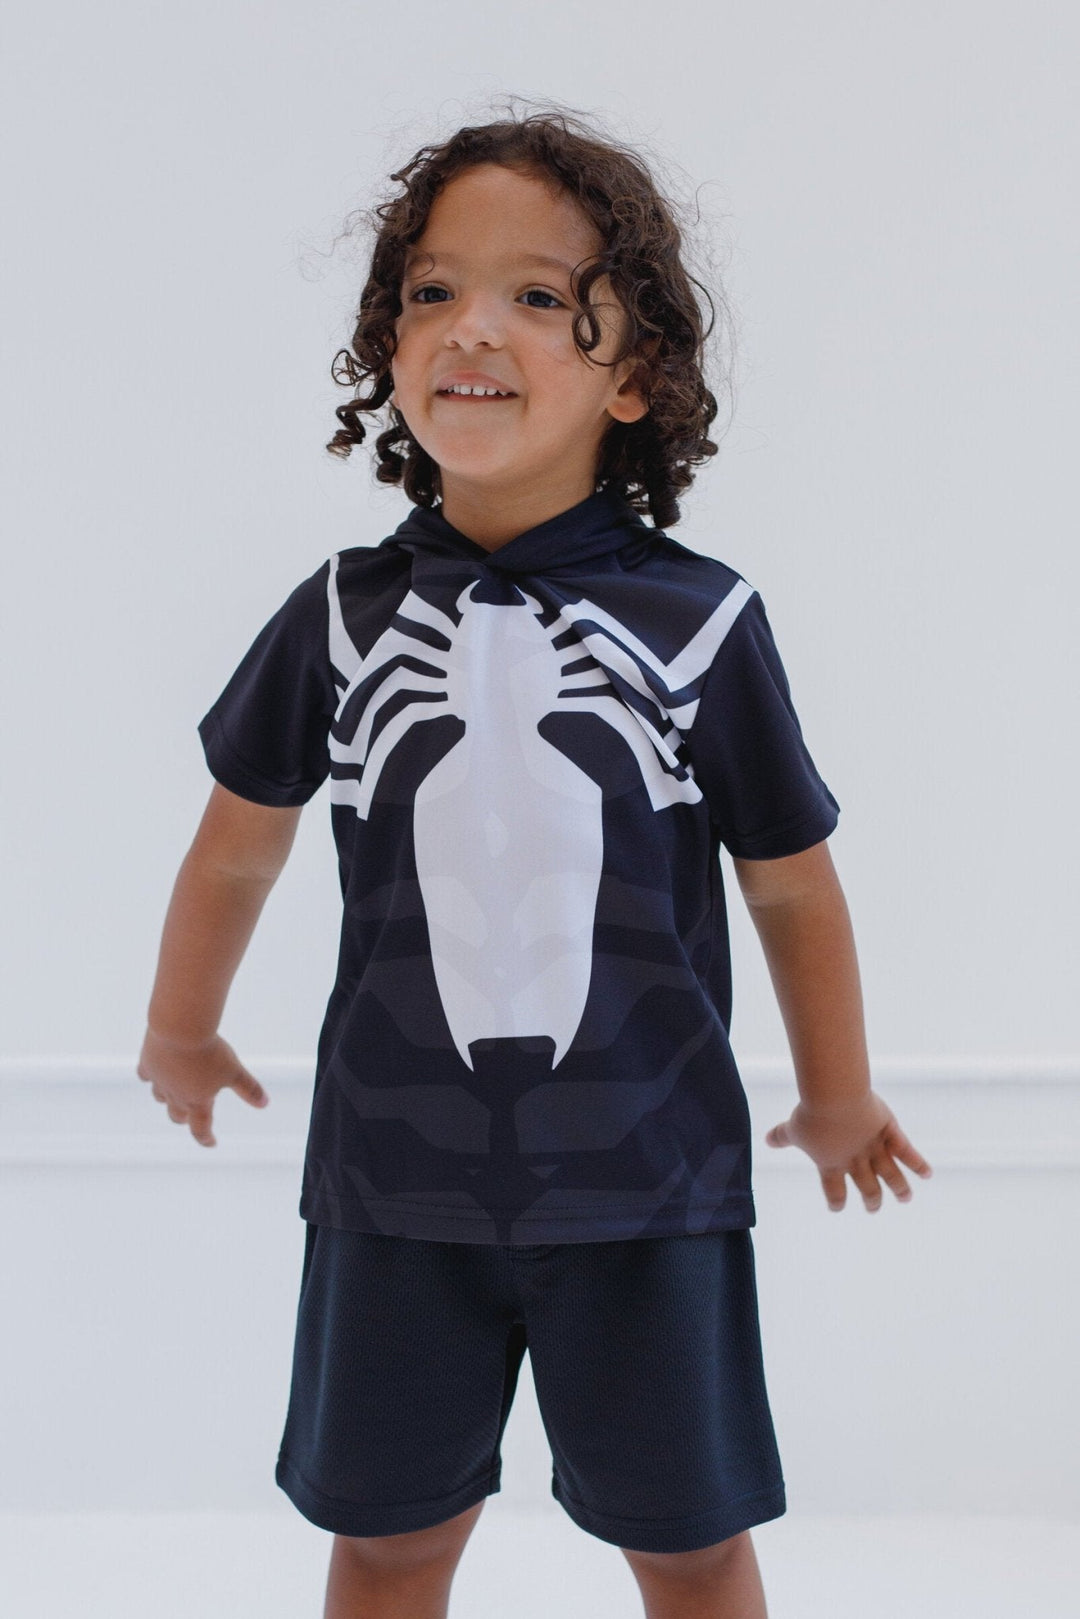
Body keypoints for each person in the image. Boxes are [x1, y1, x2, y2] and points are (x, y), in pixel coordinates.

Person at [137, 103, 933, 1619]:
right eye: (432, 290)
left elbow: (788, 876)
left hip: (650, 1181)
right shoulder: (337, 617)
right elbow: (235, 849)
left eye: (538, 295)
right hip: (391, 1181)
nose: (471, 326)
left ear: (633, 375)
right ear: (388, 348)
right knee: (386, 1541)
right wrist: (181, 1028)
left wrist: (838, 1093)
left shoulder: (702, 621)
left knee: (691, 1543)